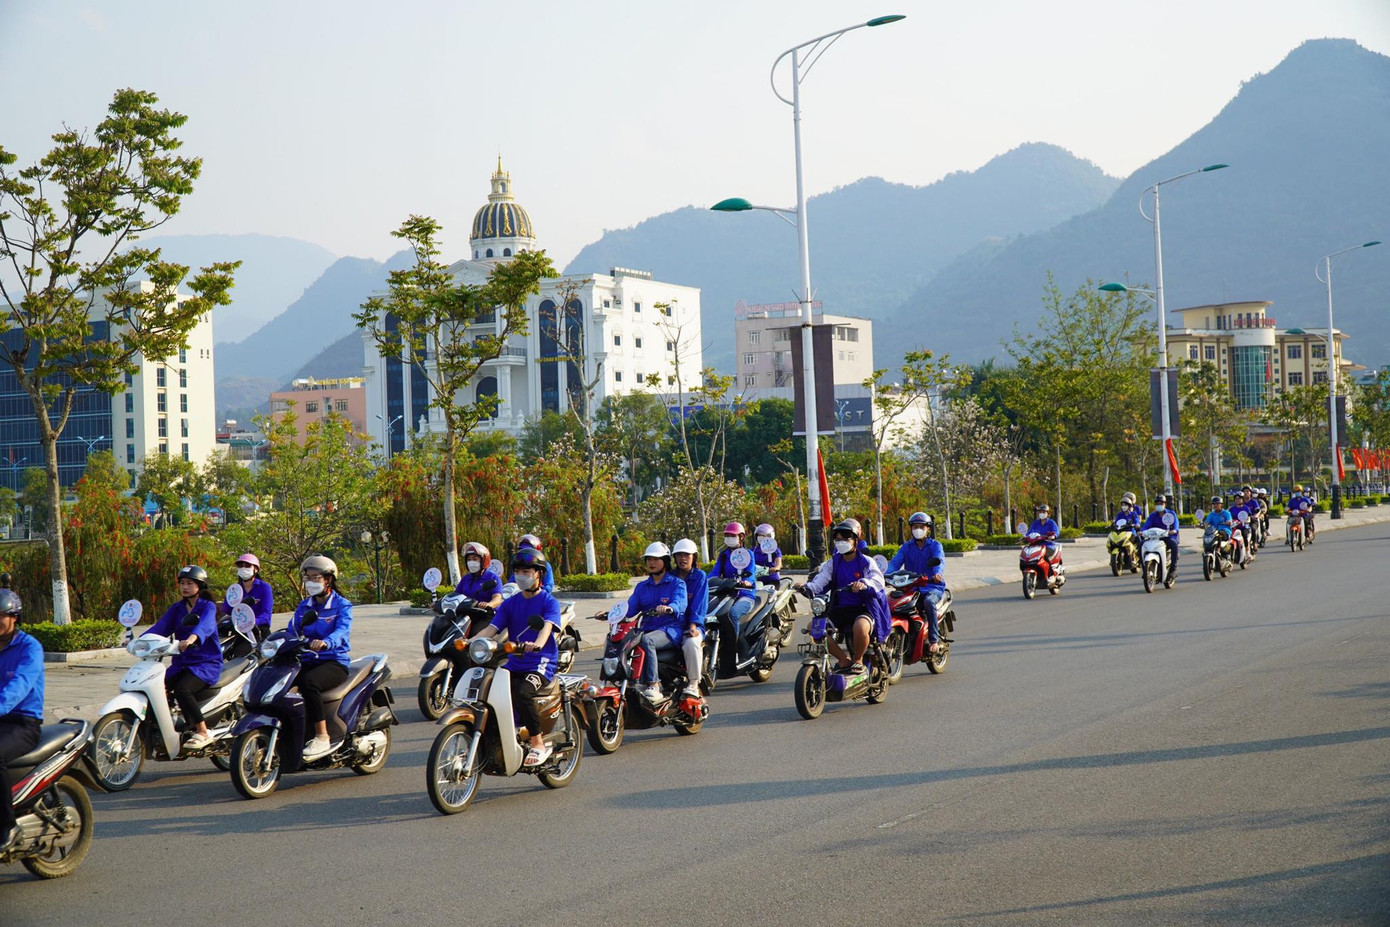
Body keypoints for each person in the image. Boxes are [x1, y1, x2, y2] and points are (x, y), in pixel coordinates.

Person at [474, 547, 561, 766]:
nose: (522, 575)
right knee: (489, 689)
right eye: (519, 571)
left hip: (540, 662)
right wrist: (471, 641)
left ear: (538, 573)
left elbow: (546, 628)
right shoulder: (510, 603)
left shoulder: (549, 602)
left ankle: (537, 742)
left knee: (523, 692)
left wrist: (537, 644)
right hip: (515, 660)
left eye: (527, 571)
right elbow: (492, 628)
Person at [142, 566, 222, 751]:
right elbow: (161, 627)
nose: (185, 587)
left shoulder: (208, 606)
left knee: (182, 689)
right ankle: (165, 726)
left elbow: (205, 626)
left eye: (190, 583)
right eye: (182, 583)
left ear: (199, 586)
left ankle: (202, 731)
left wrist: (192, 638)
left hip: (205, 664)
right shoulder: (177, 608)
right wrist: (139, 640)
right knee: (154, 685)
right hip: (182, 663)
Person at [798, 519, 887, 675]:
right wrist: (806, 587)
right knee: (815, 628)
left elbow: (877, 580)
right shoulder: (833, 563)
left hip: (863, 609)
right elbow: (820, 581)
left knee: (860, 628)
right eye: (838, 540)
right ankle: (843, 660)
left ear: (855, 541)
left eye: (846, 539)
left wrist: (863, 584)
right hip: (839, 608)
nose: (841, 542)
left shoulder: (866, 562)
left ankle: (858, 660)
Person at [290, 555, 354, 761]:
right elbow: (293, 630)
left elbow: (342, 631)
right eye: (307, 578)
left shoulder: (342, 605)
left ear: (328, 579)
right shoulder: (304, 606)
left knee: (309, 683)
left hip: (333, 661)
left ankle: (322, 735)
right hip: (308, 659)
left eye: (315, 577)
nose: (310, 582)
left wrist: (326, 641)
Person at [0, 590, 42, 853]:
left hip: (23, 723)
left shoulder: (30, 647)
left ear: (14, 618)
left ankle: (8, 825)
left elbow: (20, 685)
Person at [625, 542, 692, 701]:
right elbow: (630, 608)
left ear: (666, 561)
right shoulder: (642, 586)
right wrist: (610, 613)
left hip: (670, 629)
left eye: (655, 559)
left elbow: (679, 603)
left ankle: (654, 684)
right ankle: (624, 681)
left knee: (645, 641)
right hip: (647, 628)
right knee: (621, 641)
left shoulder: (677, 583)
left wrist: (670, 608)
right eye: (648, 559)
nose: (651, 563)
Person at [886, 512, 944, 653]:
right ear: (911, 529)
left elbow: (939, 561)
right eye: (915, 527)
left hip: (931, 586)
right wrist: (884, 575)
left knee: (929, 602)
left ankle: (933, 640)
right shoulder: (906, 547)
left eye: (921, 526)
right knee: (894, 603)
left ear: (928, 529)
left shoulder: (935, 545)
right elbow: (895, 563)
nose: (918, 529)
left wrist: (937, 573)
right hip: (910, 588)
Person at [671, 538, 709, 692]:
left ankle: (694, 682)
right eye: (679, 555)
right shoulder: (670, 576)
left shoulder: (700, 576)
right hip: (672, 625)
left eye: (686, 555)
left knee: (691, 643)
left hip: (692, 624)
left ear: (694, 557)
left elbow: (699, 604)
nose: (683, 558)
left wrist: (693, 625)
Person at [219, 552, 274, 658]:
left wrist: (252, 623)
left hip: (259, 631)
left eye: (248, 565)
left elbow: (266, 614)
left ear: (256, 569)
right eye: (240, 566)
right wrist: (233, 600)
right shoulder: (234, 589)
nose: (244, 568)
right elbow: (226, 609)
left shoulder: (264, 587)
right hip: (239, 632)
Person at [710, 522, 757, 629]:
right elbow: (714, 573)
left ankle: (733, 644)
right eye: (726, 536)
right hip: (727, 594)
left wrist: (747, 581)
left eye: (732, 535)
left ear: (741, 537)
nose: (728, 538)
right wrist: (705, 581)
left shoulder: (748, 554)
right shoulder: (723, 555)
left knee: (733, 614)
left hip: (745, 594)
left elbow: (751, 572)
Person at [1142, 493, 1181, 581]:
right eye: (1157, 503)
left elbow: (1176, 525)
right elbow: (1146, 525)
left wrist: (1174, 530)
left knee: (1174, 545)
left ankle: (1173, 569)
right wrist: (1142, 531)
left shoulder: (1171, 514)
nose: (1159, 505)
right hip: (1154, 538)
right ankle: (1145, 570)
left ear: (1165, 504)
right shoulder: (1152, 515)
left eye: (1161, 503)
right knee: (1140, 545)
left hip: (1167, 537)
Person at [453, 542, 504, 609]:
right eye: (469, 559)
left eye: (475, 559)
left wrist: (489, 604)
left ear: (484, 560)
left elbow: (497, 598)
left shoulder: (492, 578)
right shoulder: (465, 579)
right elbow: (456, 596)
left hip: (487, 615)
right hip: (467, 614)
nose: (471, 562)